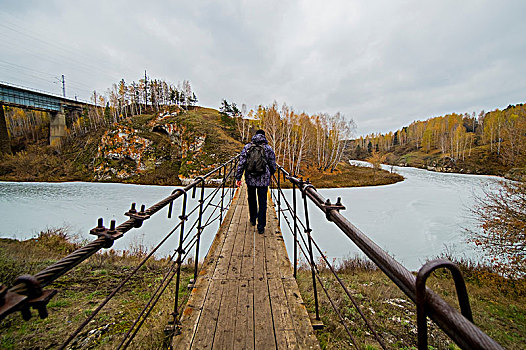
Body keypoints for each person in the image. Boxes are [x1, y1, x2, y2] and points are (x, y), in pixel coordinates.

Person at [235, 129, 276, 234]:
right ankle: (261, 226)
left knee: (252, 199)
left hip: (250, 178)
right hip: (263, 179)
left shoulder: (247, 147)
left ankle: (253, 219)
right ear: (264, 136)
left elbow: (242, 163)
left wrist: (238, 178)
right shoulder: (268, 148)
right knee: (263, 202)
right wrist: (270, 173)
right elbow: (272, 164)